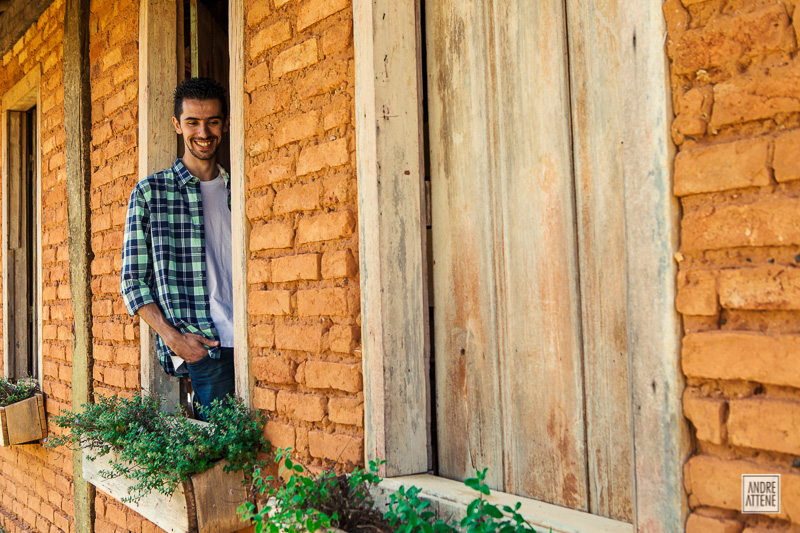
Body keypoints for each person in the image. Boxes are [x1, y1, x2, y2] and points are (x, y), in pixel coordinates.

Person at [120, 77, 234, 419]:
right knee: (228, 454)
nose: (203, 132)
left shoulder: (241, 188)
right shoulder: (151, 193)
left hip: (253, 340)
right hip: (203, 345)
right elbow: (132, 282)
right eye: (193, 122)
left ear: (225, 123)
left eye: (212, 121)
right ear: (177, 124)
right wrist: (175, 340)